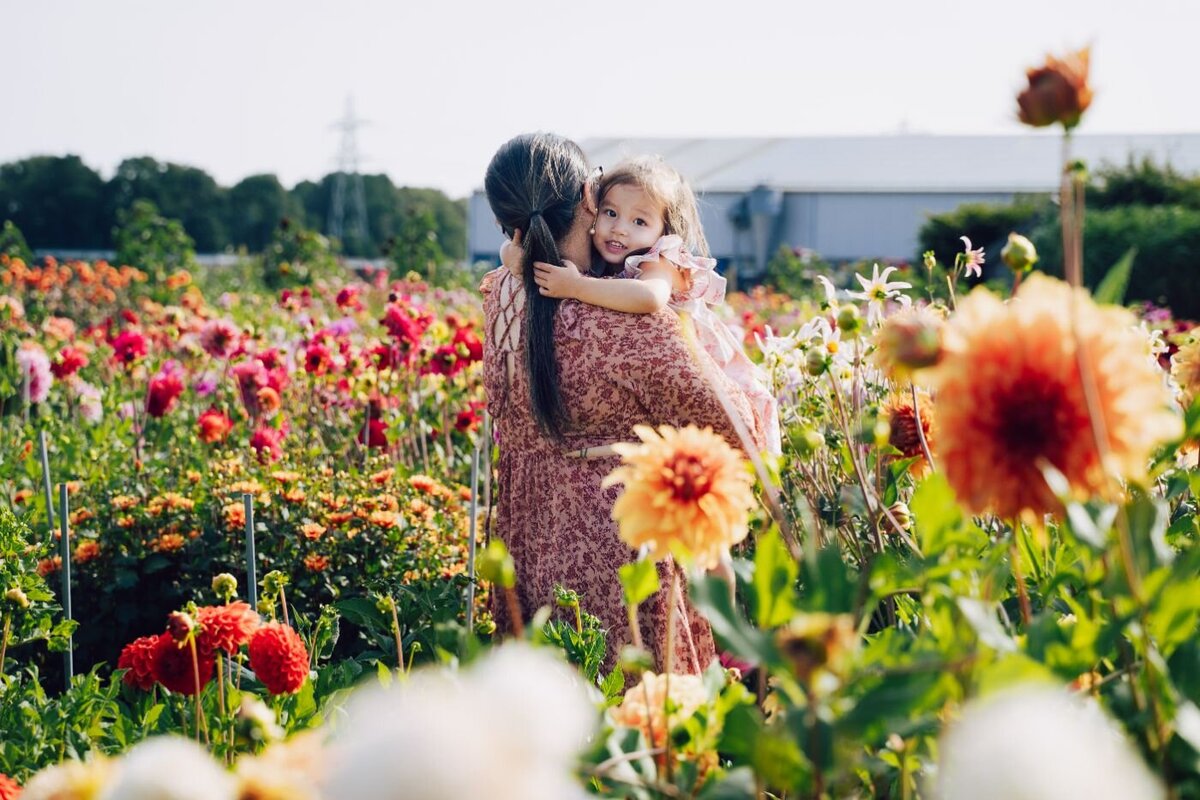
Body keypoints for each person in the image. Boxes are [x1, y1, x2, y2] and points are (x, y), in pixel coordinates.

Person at [480, 133, 766, 673]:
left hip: (527, 547)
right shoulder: (629, 322)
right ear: (591, 196)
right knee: (637, 729)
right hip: (620, 554)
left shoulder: (501, 294)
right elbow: (734, 428)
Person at [504, 156, 781, 456]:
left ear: (663, 230)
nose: (620, 229)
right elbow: (511, 253)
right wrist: (516, 256)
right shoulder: (607, 257)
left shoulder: (657, 260)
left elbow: (650, 298)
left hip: (713, 370)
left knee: (746, 457)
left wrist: (576, 287)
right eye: (610, 212)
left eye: (639, 221)